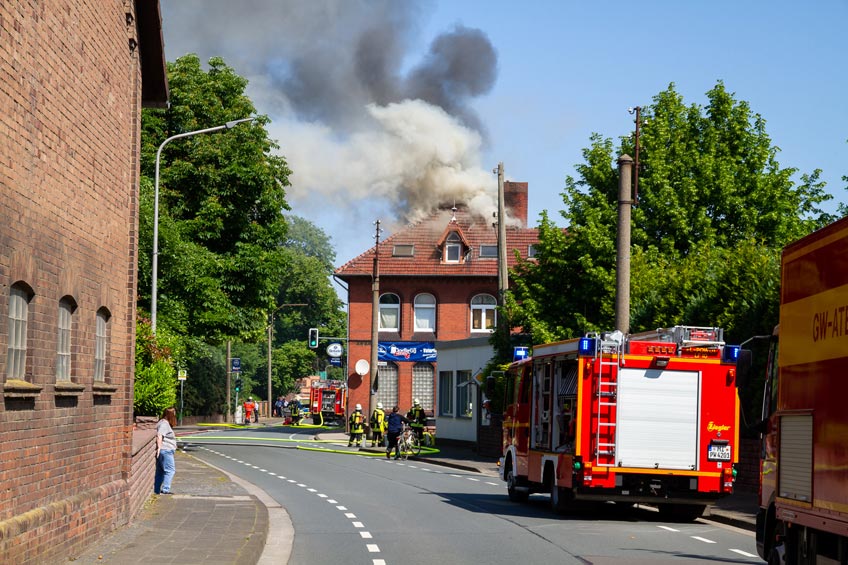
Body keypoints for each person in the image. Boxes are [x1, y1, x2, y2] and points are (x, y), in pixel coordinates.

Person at [154, 407, 178, 495]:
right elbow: (160, 435)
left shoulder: (163, 422)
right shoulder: (164, 424)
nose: (175, 415)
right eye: (174, 414)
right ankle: (165, 490)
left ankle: (156, 490)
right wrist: (159, 448)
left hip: (165, 451)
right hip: (166, 450)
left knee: (160, 472)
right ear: (170, 415)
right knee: (170, 470)